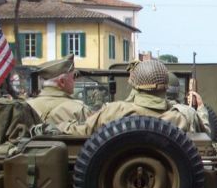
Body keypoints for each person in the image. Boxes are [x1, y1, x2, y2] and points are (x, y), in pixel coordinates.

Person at [58, 59, 188, 135]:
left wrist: (61, 126)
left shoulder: (114, 111)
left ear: (135, 86)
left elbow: (83, 131)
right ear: (166, 87)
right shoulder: (178, 119)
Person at [27, 55, 91, 124]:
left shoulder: (28, 106)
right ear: (62, 82)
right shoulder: (79, 110)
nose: (75, 80)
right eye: (73, 77)